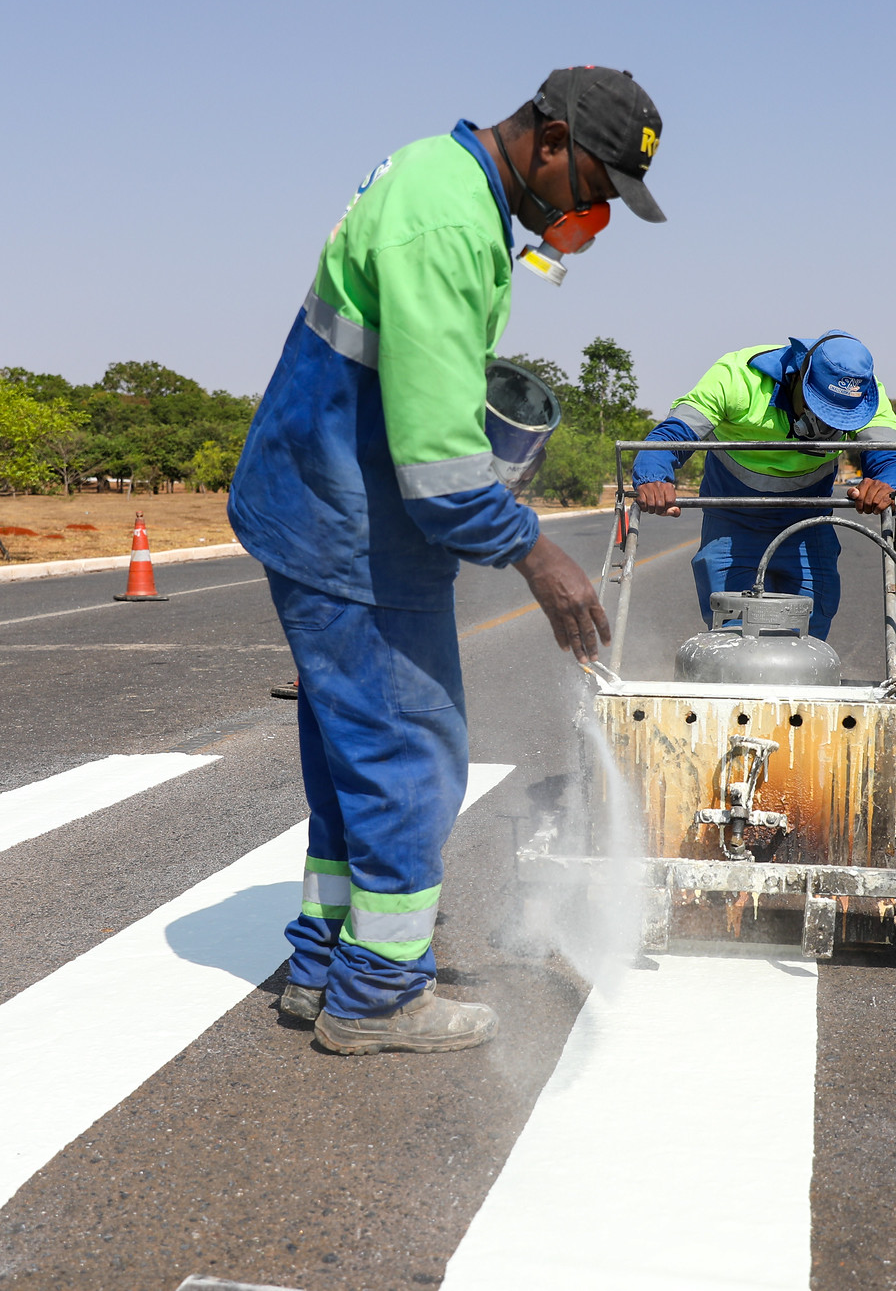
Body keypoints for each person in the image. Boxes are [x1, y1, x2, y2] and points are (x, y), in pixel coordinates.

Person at [227, 67, 667, 1055]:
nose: (589, 215)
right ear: (549, 141)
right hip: (353, 529)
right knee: (410, 758)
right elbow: (437, 470)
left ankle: (323, 964)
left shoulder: (443, 176)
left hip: (329, 501)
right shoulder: (449, 221)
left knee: (352, 758)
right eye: (594, 188)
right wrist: (537, 555)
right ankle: (379, 995)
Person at [631, 333, 896, 639]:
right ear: (800, 376)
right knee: (734, 637)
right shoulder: (737, 378)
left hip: (807, 525)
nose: (830, 426)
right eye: (823, 410)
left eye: (843, 418)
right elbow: (670, 436)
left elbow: (889, 459)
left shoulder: (862, 391)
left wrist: (886, 484)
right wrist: (653, 476)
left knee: (807, 638)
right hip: (732, 524)